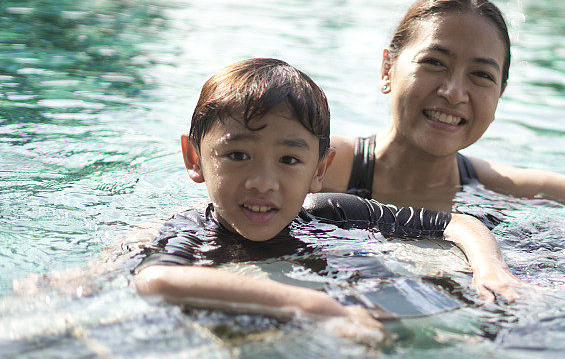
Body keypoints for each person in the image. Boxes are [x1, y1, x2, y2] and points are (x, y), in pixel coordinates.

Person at [133, 58, 523, 344]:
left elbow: (457, 222)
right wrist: (315, 307)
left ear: (319, 170)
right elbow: (157, 279)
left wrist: (490, 269)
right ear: (194, 158)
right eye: (237, 155)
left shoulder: (330, 213)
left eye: (289, 160)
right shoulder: (193, 230)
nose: (263, 183)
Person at [321, 0, 565, 274]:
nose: (454, 92)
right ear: (387, 68)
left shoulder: (495, 184)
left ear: (500, 94)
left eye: (481, 75)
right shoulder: (327, 165)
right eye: (435, 62)